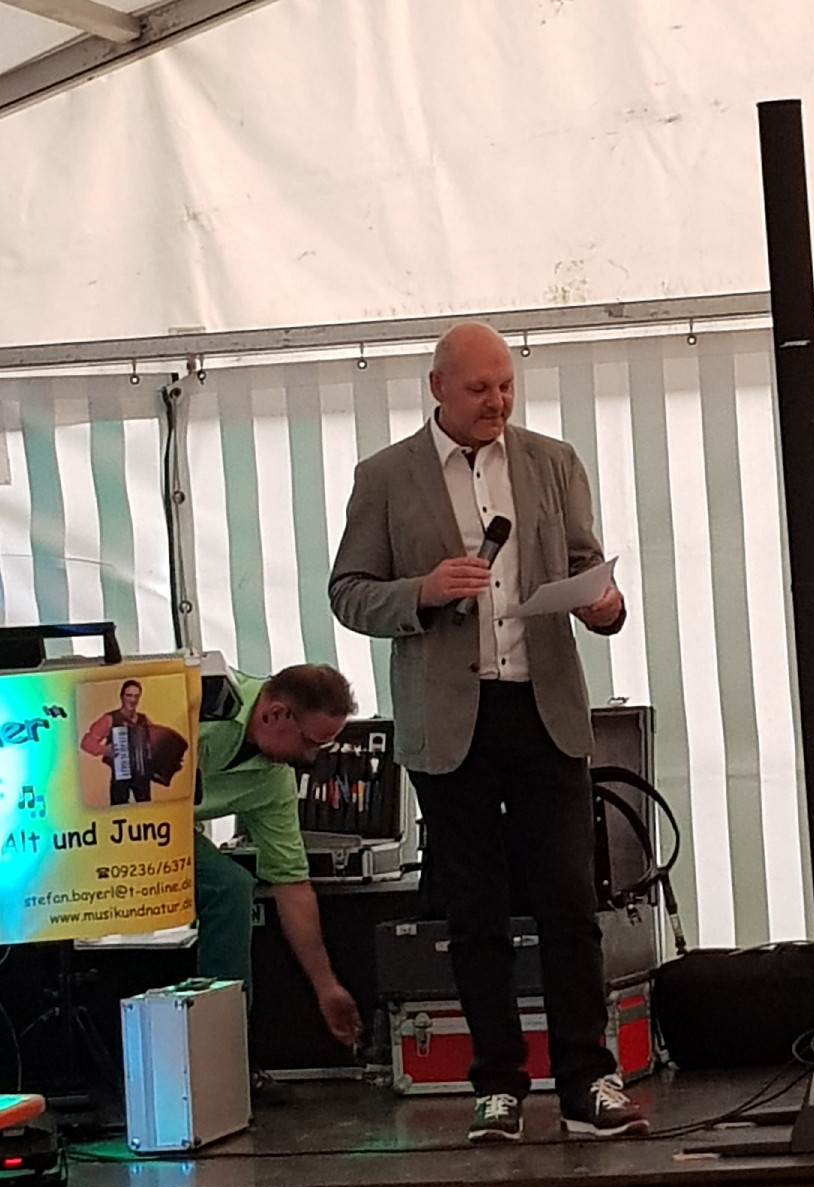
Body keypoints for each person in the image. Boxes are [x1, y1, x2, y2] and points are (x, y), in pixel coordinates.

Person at [329, 321, 648, 1144]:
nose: (496, 401)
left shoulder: (552, 462)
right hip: (448, 719)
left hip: (544, 708)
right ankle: (497, 1086)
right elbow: (348, 592)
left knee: (569, 903)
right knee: (473, 914)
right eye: (479, 388)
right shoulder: (385, 476)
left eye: (505, 385)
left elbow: (585, 566)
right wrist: (423, 591)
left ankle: (587, 1080)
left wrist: (604, 606)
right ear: (437, 388)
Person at [193, 663, 362, 1060]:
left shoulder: (273, 783)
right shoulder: (201, 699)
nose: (313, 758)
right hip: (91, 810)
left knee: (230, 886)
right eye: (311, 742)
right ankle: (221, 1055)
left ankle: (227, 1059)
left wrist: (326, 987)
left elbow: (291, 883)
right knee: (228, 886)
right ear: (275, 714)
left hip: (159, 829)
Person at [81, 679, 155, 804]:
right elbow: (86, 742)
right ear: (122, 697)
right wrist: (105, 750)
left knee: (145, 810)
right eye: (129, 695)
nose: (133, 700)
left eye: (136, 696)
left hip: (142, 777)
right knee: (120, 809)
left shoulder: (143, 720)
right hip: (121, 776)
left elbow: (154, 741)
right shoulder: (110, 719)